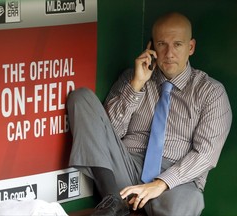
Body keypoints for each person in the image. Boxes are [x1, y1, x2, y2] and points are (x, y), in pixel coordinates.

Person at [66, 12, 232, 216]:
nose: (169, 53)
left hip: (174, 181)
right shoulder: (132, 77)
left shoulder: (211, 92)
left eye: (178, 44)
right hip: (126, 168)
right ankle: (112, 202)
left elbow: (206, 155)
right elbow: (106, 133)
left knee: (188, 202)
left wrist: (161, 183)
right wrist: (136, 85)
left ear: (191, 47)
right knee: (81, 97)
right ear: (151, 47)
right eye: (162, 44)